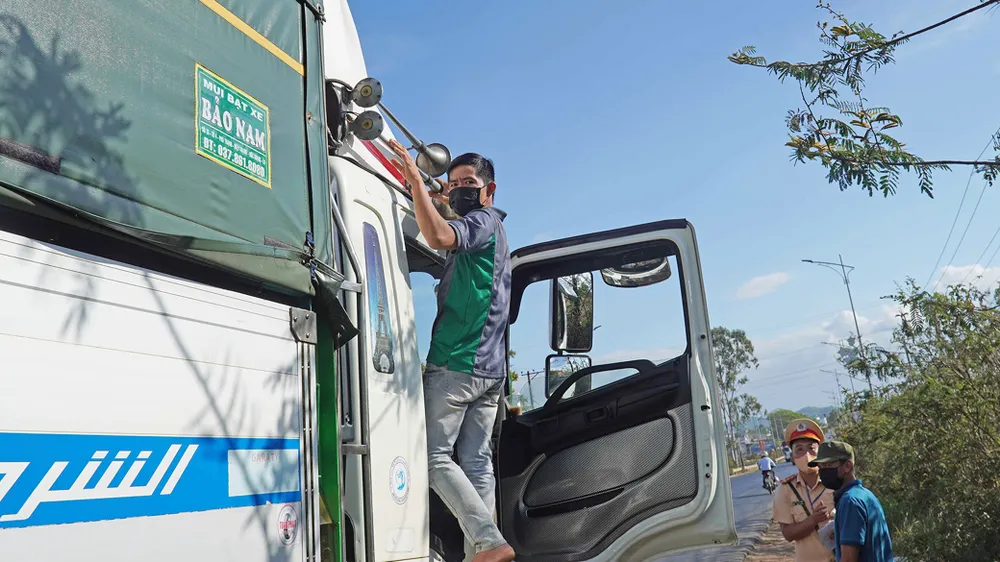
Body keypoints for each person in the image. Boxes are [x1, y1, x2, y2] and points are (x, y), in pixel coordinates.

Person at [388, 140, 515, 562]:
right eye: (454, 182)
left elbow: (440, 235)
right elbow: (447, 222)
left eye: (469, 183)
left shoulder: (481, 222)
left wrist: (414, 183)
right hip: (490, 371)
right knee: (476, 462)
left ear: (489, 190)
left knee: (432, 458)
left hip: (458, 365)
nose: (459, 188)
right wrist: (434, 197)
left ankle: (489, 541)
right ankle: (483, 550)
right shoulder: (493, 232)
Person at [810, 441, 895, 562]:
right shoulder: (864, 494)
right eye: (820, 467)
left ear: (847, 466)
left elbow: (849, 559)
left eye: (828, 466)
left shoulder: (850, 502)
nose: (823, 472)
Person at [771, 419, 836, 562]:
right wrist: (813, 520)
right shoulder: (786, 489)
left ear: (820, 453)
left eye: (811, 448)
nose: (806, 454)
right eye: (799, 449)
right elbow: (788, 534)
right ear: (793, 457)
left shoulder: (835, 481)